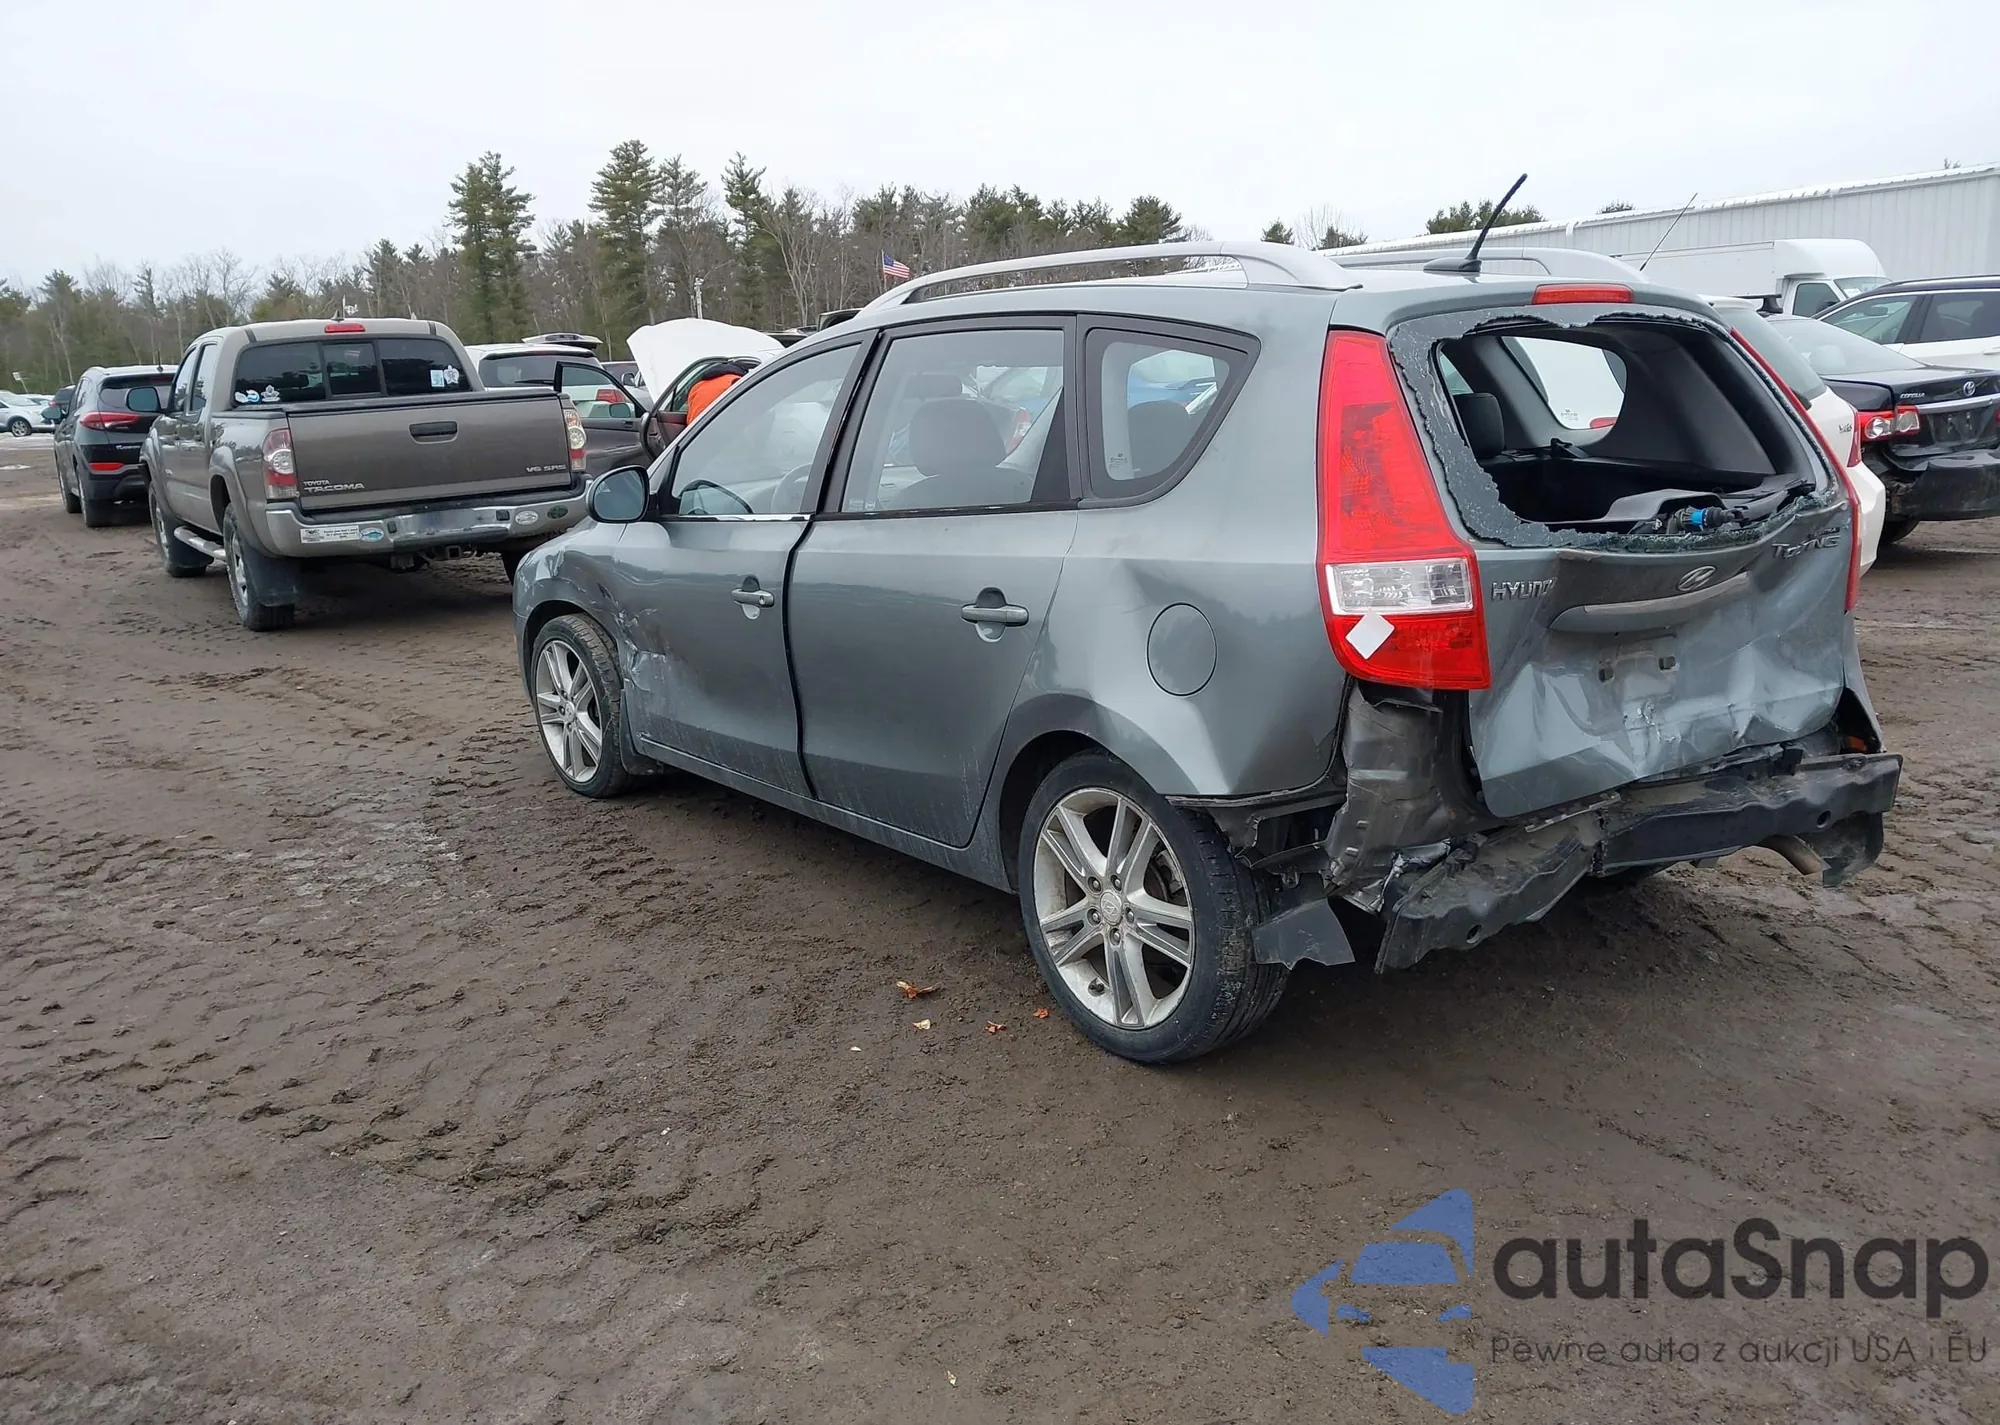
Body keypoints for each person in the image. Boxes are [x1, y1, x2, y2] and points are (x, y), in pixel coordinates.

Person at [685, 360, 751, 422]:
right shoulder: (738, 382)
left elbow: (690, 415)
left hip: (695, 428)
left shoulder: (698, 386)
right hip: (720, 426)